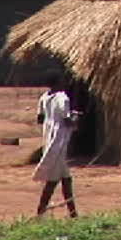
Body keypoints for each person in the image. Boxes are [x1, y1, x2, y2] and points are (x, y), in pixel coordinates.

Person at [34, 74, 80, 218]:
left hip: (49, 137)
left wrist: (52, 119)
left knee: (66, 177)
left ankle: (73, 213)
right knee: (53, 179)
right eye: (62, 80)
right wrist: (76, 119)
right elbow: (67, 121)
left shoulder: (44, 97)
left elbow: (40, 119)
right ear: (58, 82)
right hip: (59, 138)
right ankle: (40, 211)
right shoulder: (62, 97)